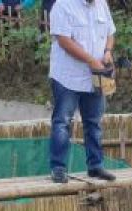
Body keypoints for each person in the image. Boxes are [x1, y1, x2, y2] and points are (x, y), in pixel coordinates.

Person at [48, 0, 118, 184]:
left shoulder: (101, 4)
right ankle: (58, 168)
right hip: (67, 77)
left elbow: (110, 32)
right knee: (63, 122)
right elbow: (64, 41)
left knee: (93, 123)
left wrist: (108, 51)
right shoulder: (63, 5)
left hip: (94, 77)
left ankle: (95, 166)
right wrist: (89, 60)